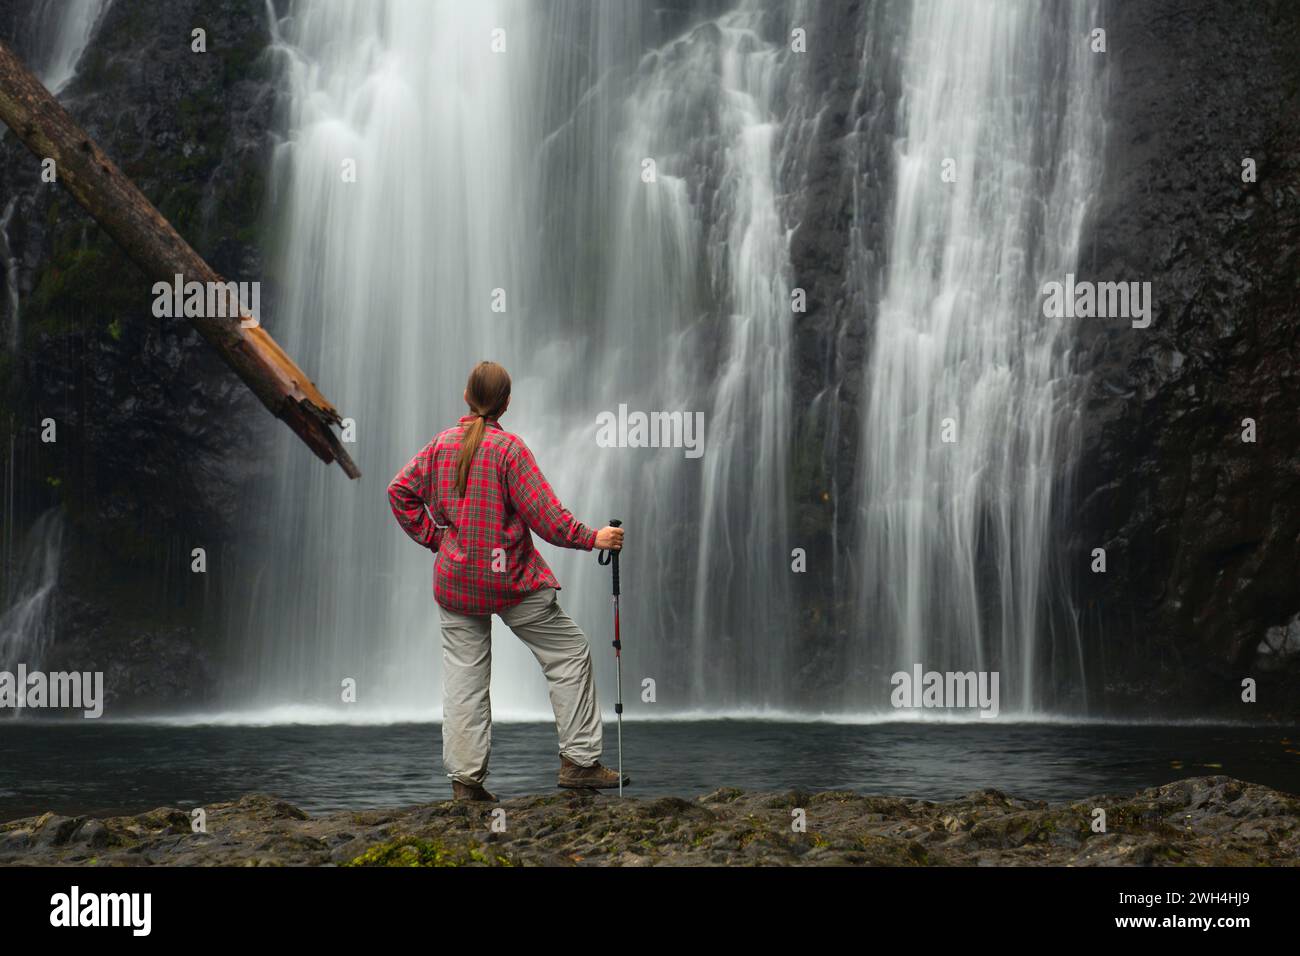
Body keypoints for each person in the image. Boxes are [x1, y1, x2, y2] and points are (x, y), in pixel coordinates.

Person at [387, 360, 627, 801]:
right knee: (568, 652)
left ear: (465, 396)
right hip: (511, 581)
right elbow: (548, 519)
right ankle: (578, 762)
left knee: (464, 676)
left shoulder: (439, 447)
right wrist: (595, 538)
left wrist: (434, 538)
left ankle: (465, 784)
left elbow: (398, 491)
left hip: (457, 581)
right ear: (507, 403)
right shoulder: (509, 451)